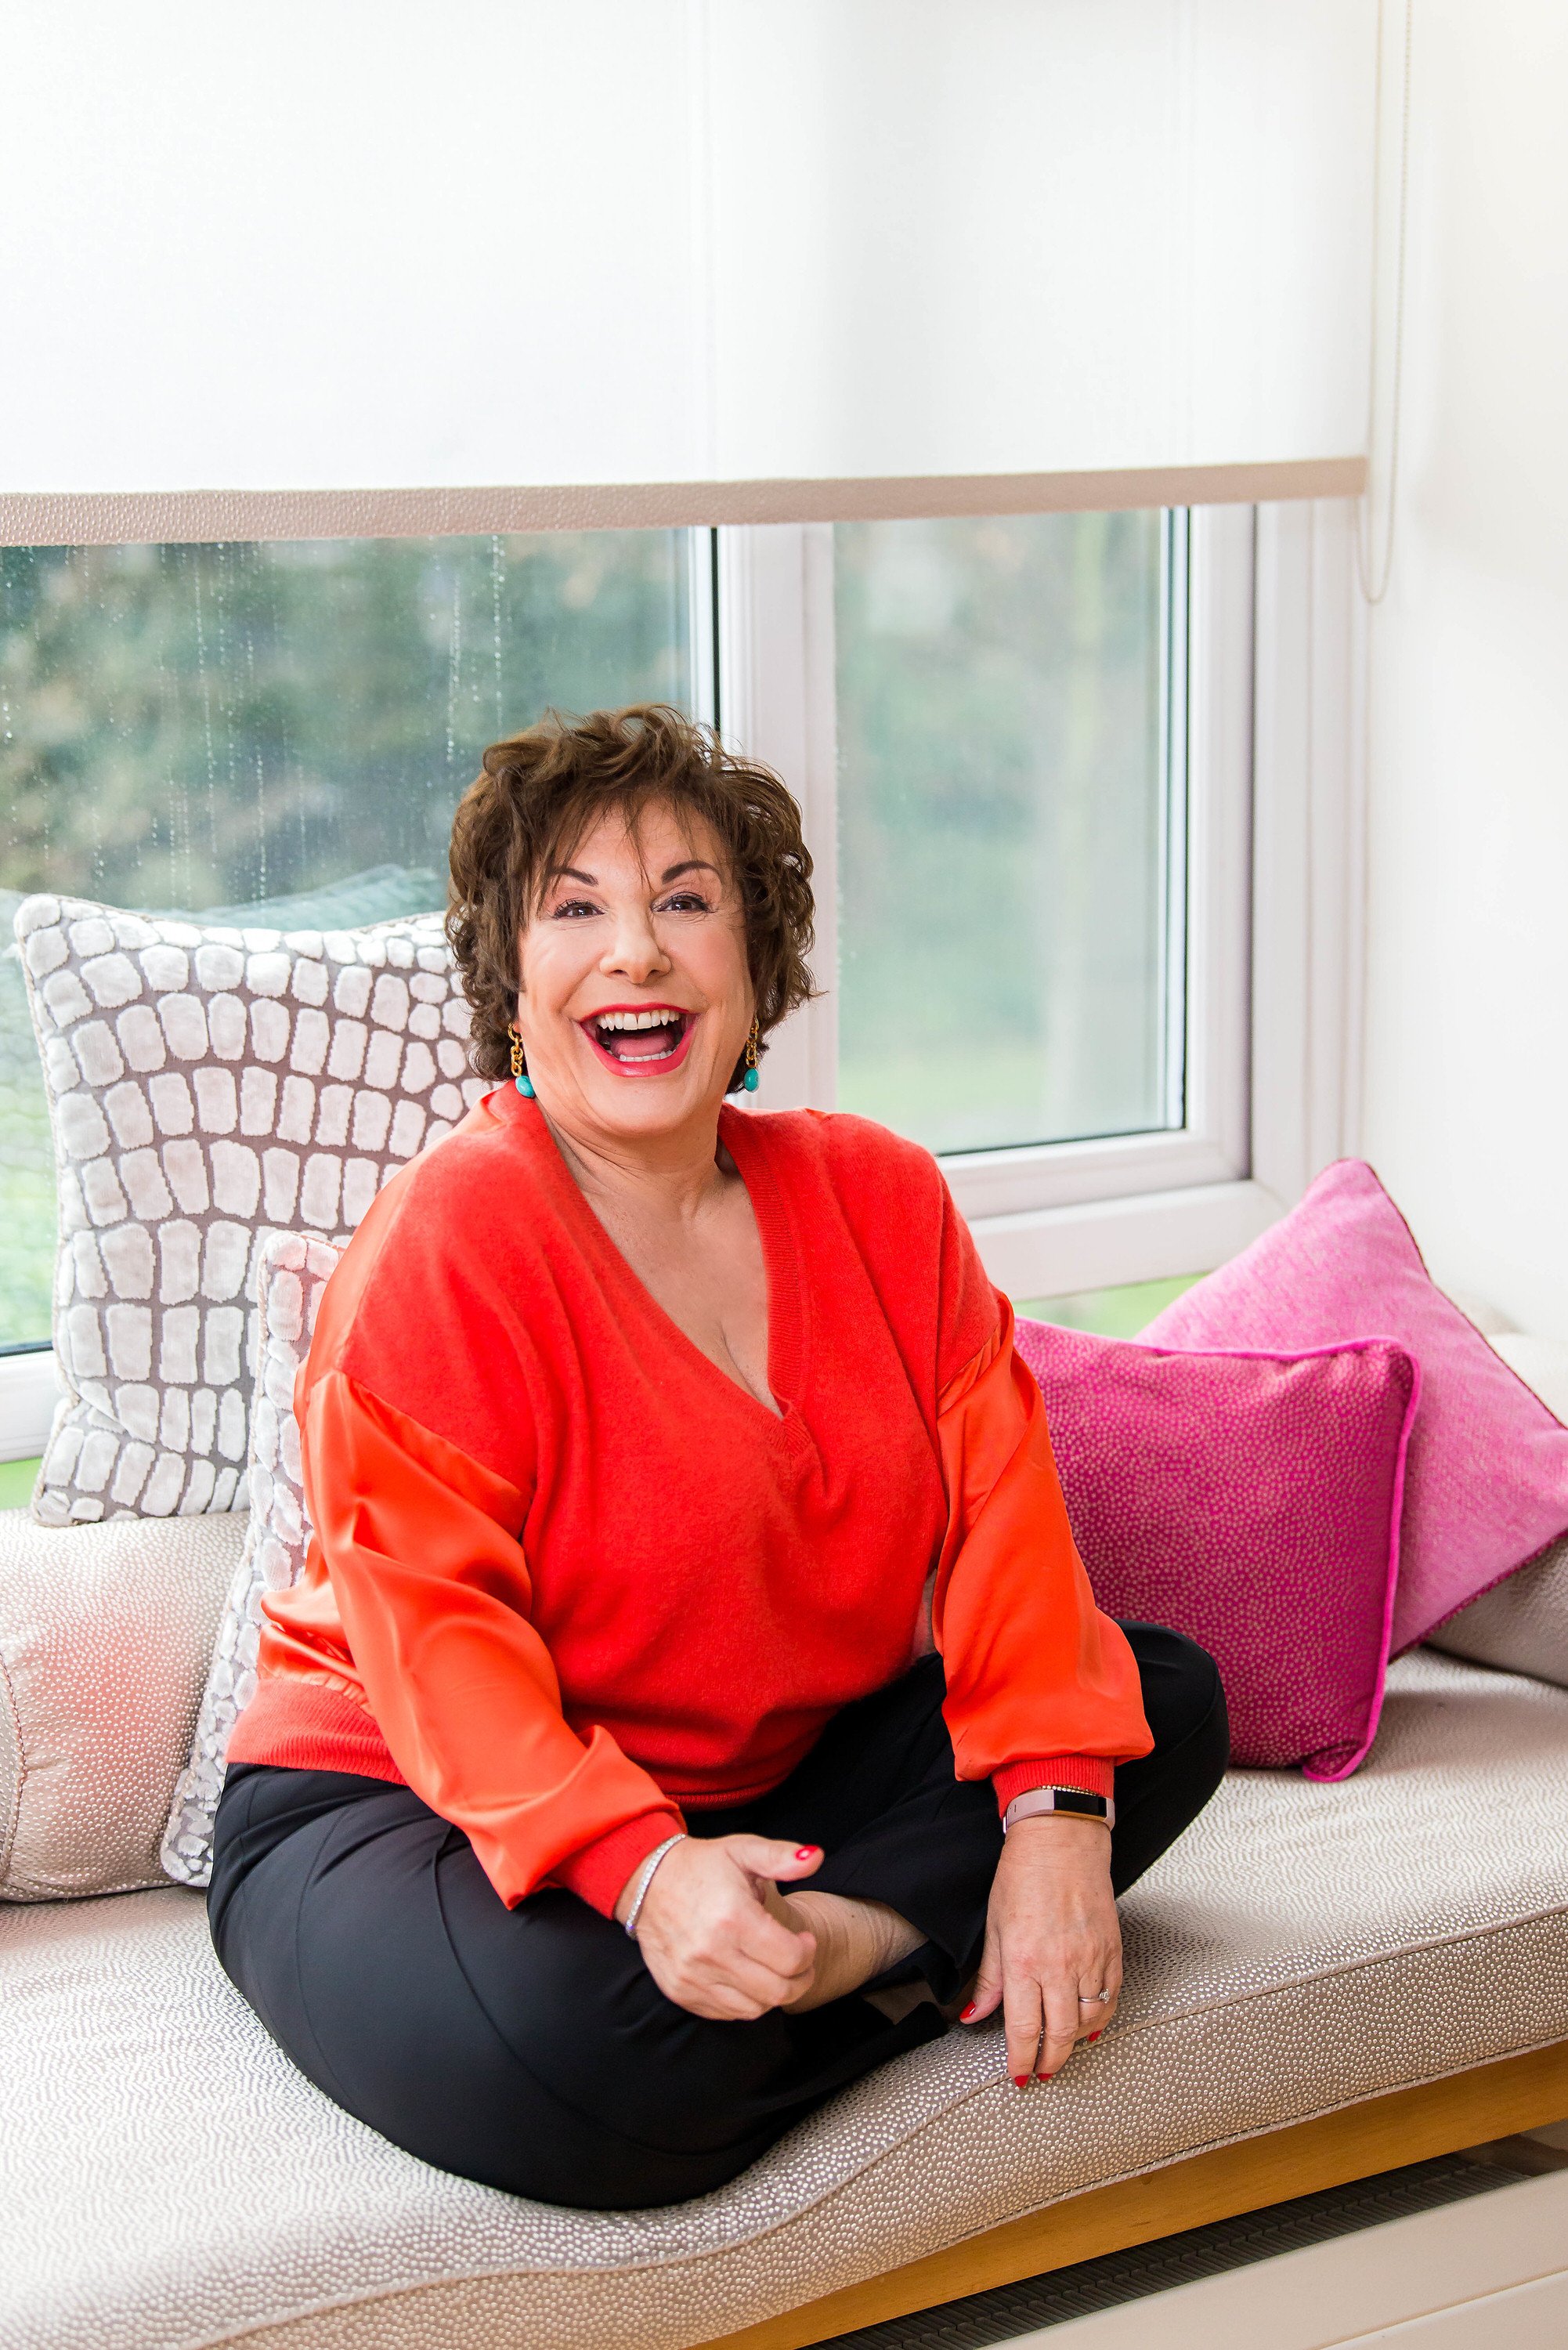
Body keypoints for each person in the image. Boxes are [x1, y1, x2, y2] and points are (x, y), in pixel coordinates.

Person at [209, 703, 1227, 2211]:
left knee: (1154, 1701)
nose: (638, 952)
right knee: (586, 2066)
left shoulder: (880, 1197)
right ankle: (876, 1951)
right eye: (578, 910)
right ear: (515, 988)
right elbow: (439, 1651)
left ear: (754, 973)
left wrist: (1057, 1819)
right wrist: (640, 1872)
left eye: (687, 899)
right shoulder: (449, 1243)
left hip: (748, 1778)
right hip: (400, 1805)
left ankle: (820, 1955)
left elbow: (1008, 1526)